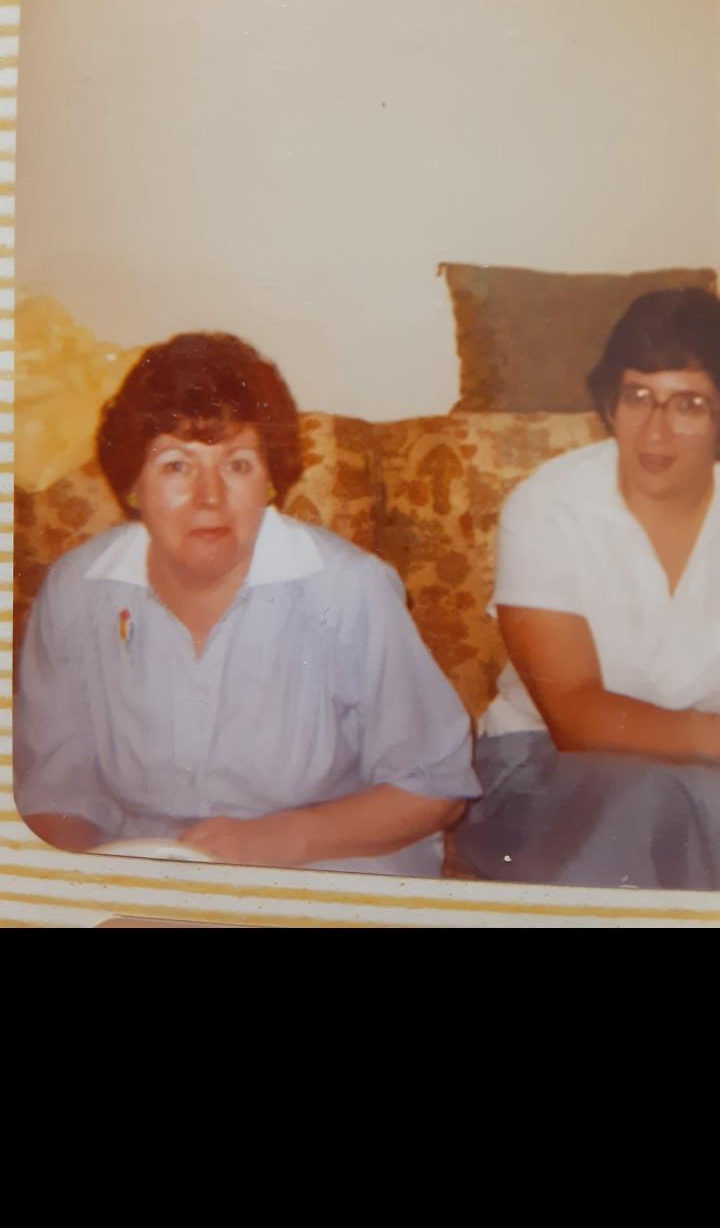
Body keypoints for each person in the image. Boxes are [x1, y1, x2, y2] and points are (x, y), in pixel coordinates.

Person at [14, 332, 479, 876]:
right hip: (147, 872)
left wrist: (282, 839)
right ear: (133, 487)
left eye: (236, 465)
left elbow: (435, 786)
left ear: (270, 482)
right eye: (176, 466)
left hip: (328, 862)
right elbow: (55, 790)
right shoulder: (78, 590)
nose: (209, 497)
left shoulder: (348, 590)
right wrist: (85, 896)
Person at [454, 287, 720, 890]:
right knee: (649, 801)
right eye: (638, 397)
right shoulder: (549, 507)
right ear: (610, 402)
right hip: (542, 766)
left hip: (705, 775)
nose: (656, 432)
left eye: (689, 404)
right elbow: (574, 714)